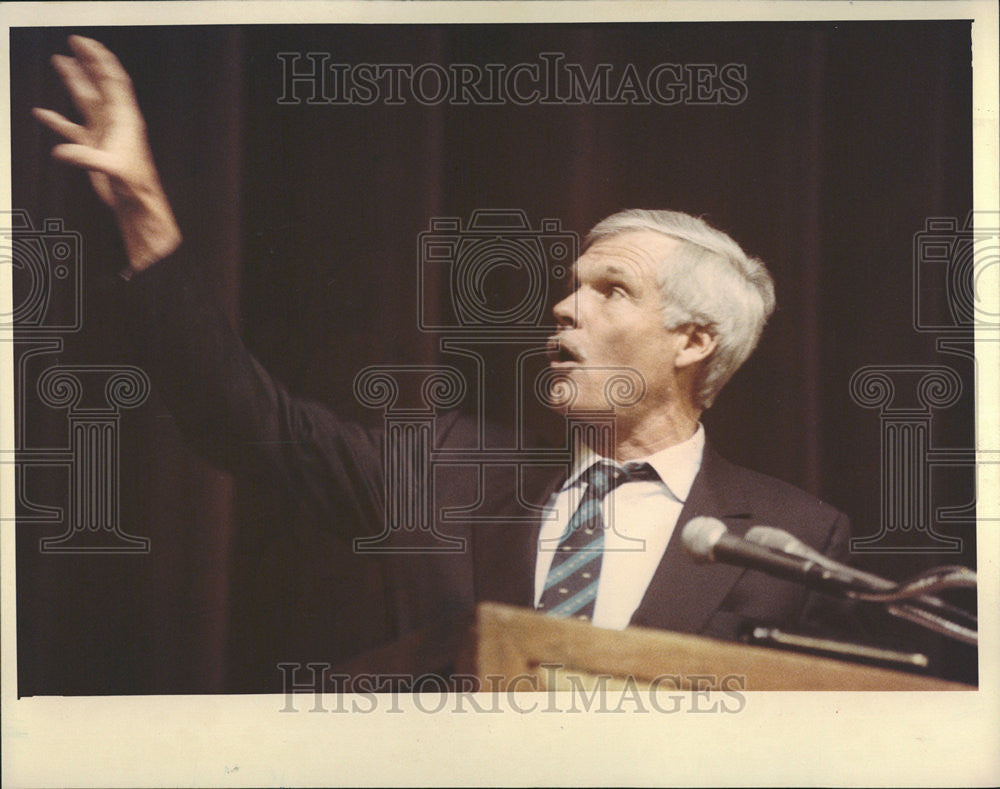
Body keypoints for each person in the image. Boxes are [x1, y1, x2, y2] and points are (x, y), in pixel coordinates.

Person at [34, 36, 853, 657]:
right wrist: (142, 208)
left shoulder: (796, 538)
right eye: (571, 285)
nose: (564, 307)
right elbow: (250, 422)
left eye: (612, 290)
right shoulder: (446, 470)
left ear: (694, 340)